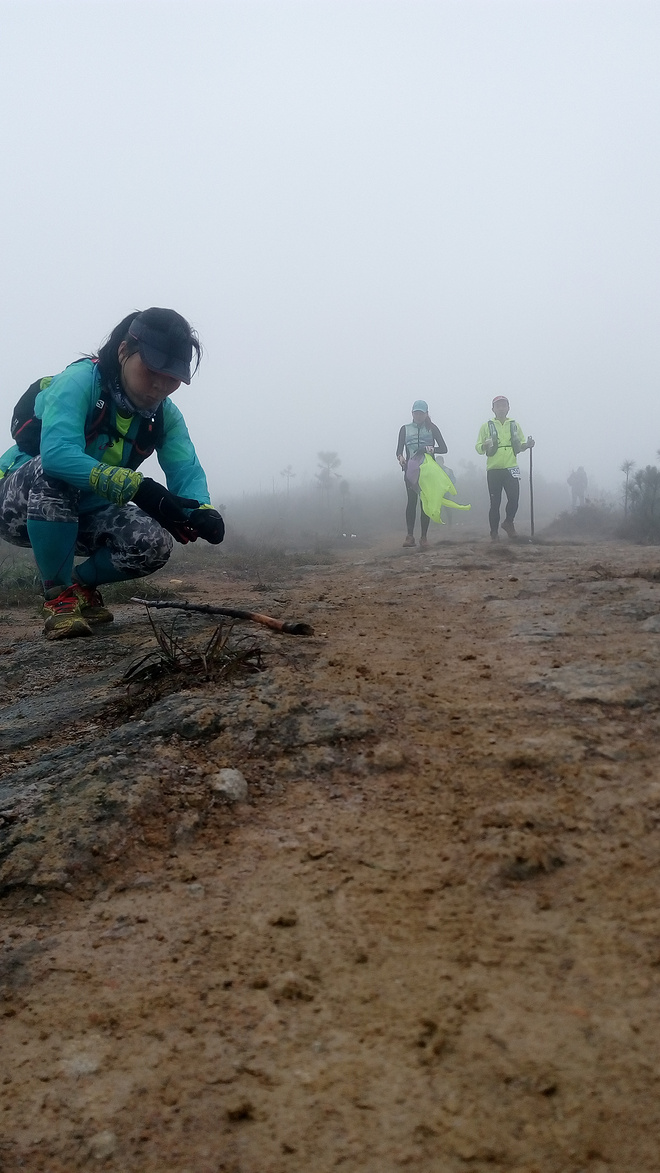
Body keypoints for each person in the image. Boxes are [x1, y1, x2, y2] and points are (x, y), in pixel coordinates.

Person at [0, 307, 225, 640]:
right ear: (123, 350)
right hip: (18, 502)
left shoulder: (164, 415)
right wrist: (136, 487)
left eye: (173, 376)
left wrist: (201, 510)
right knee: (56, 473)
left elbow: (185, 467)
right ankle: (58, 598)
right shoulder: (79, 381)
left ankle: (81, 587)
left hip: (82, 513)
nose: (160, 385)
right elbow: (58, 456)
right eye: (152, 369)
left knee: (154, 542)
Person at [475, 396, 534, 540]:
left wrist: (528, 444)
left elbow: (520, 445)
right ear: (493, 409)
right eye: (498, 406)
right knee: (495, 502)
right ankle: (494, 533)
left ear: (508, 408)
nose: (501, 408)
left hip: (511, 467)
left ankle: (508, 522)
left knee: (514, 498)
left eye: (504, 405)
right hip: (494, 469)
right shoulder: (486, 426)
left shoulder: (514, 425)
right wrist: (484, 446)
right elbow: (478, 448)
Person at [396, 400, 447, 549]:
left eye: (421, 413)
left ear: (426, 413)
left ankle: (424, 537)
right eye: (416, 413)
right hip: (410, 470)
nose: (418, 416)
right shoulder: (404, 429)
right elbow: (399, 450)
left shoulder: (432, 428)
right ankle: (409, 536)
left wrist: (428, 449)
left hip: (428, 472)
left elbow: (444, 448)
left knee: (425, 503)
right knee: (411, 502)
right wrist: (400, 458)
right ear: (412, 413)